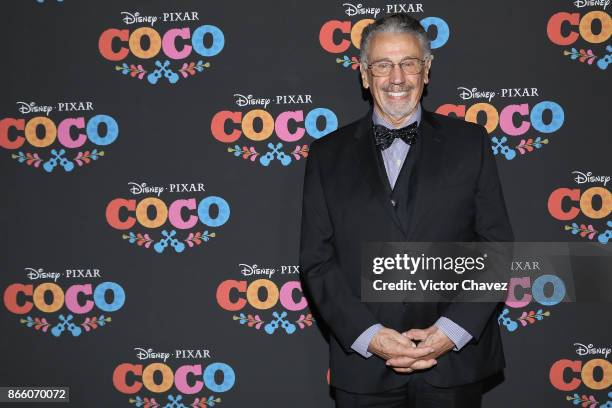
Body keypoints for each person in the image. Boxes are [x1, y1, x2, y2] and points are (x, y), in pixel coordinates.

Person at [299, 13, 514, 407]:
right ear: (365, 74)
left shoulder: (471, 143)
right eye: (382, 65)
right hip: (362, 371)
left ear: (426, 70)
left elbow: (496, 247)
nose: (396, 78)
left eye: (408, 63)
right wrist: (369, 336)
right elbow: (317, 260)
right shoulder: (326, 155)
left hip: (455, 365)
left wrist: (452, 330)